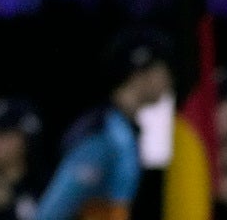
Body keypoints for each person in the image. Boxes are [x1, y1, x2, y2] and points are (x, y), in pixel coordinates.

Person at [34, 27, 175, 220]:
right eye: (163, 68)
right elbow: (49, 214)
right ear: (141, 73)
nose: (169, 79)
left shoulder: (125, 131)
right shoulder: (104, 135)